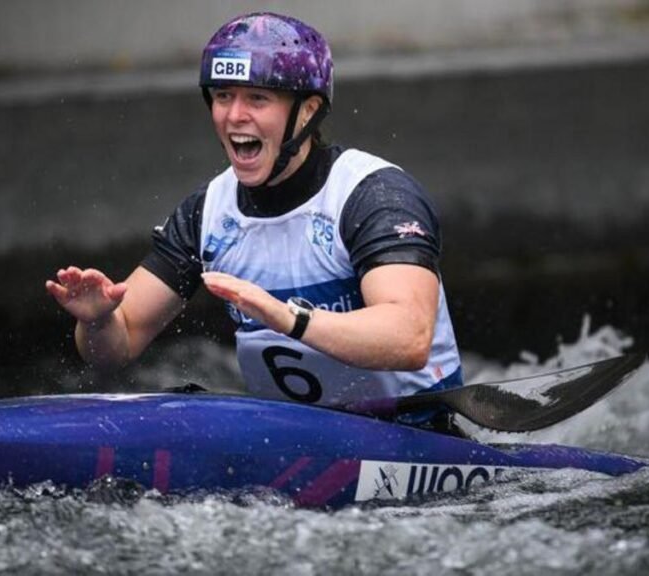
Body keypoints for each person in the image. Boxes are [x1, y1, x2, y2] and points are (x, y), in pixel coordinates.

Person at [45, 11, 462, 429]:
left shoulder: (373, 196)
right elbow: (119, 347)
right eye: (224, 96)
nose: (234, 116)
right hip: (293, 440)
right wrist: (97, 320)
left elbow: (409, 337)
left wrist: (287, 318)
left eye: (257, 99)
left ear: (306, 111)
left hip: (417, 436)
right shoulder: (206, 213)